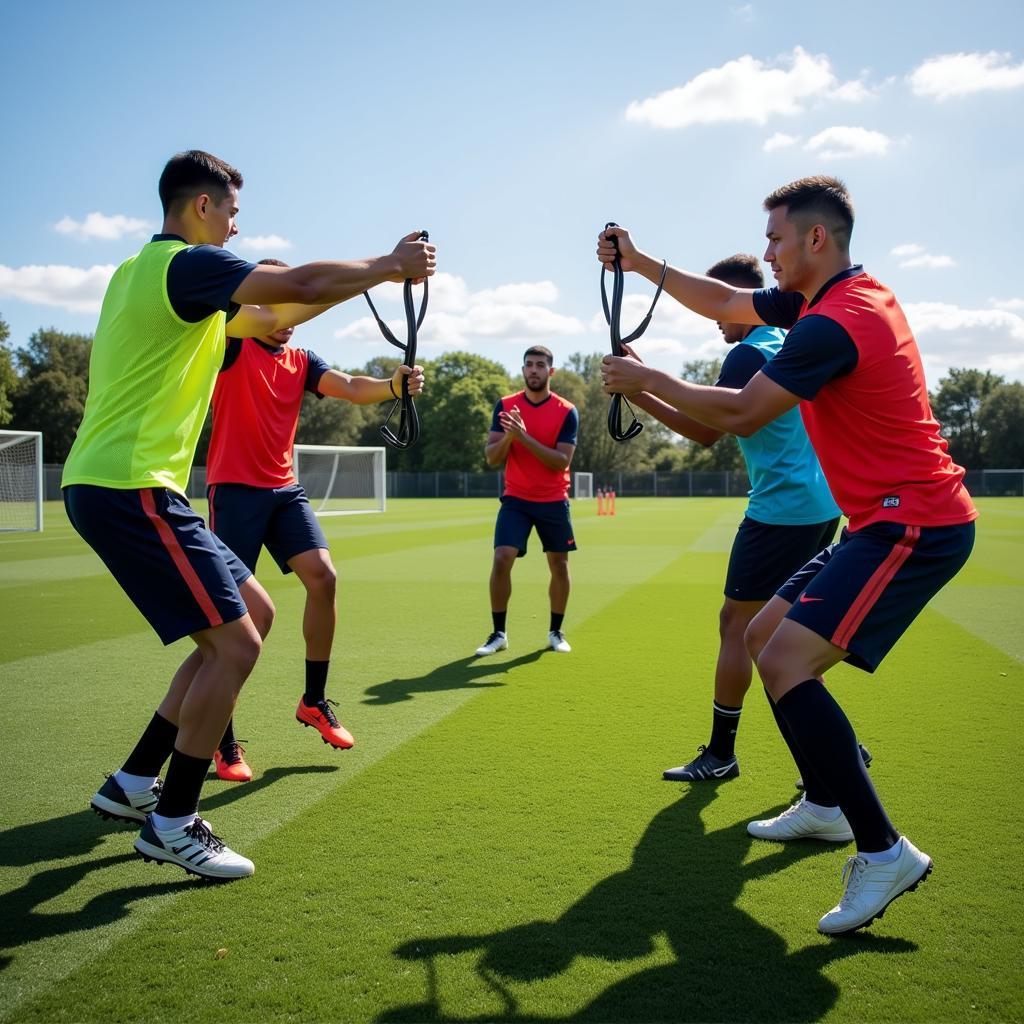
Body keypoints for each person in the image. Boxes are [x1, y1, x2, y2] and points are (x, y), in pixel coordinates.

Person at [597, 175, 976, 935]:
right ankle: (827, 803)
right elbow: (728, 304)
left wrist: (646, 380)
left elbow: (741, 411)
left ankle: (883, 850)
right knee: (763, 637)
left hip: (915, 523)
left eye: (775, 239)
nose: (765, 253)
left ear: (816, 239)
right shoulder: (820, 300)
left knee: (782, 661)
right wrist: (640, 264)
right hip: (872, 521)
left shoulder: (836, 322)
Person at [64, 149, 435, 880]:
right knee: (235, 647)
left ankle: (135, 783)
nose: (236, 226)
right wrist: (389, 266)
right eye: (232, 211)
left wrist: (375, 299)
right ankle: (173, 822)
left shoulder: (149, 278)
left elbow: (287, 305)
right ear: (202, 206)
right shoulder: (188, 267)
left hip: (138, 487)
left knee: (255, 614)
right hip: (128, 487)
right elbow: (293, 283)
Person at [622, 253, 844, 784]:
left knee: (741, 628)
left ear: (743, 300)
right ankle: (841, 752)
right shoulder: (784, 342)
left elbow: (707, 431)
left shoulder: (748, 353)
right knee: (779, 636)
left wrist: (641, 386)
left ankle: (726, 754)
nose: (715, 317)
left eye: (720, 305)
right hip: (820, 507)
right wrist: (642, 387)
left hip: (781, 511)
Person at [206, 257, 425, 782]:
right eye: (275, 301)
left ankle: (314, 700)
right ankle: (222, 737)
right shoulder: (228, 342)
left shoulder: (301, 359)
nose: (288, 316)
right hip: (233, 491)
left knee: (324, 578)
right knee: (233, 617)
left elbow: (350, 385)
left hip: (284, 491)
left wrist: (394, 387)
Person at [476, 346, 578, 656]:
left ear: (551, 371)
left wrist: (524, 437)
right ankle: (498, 633)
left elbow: (561, 461)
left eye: (540, 365)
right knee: (501, 558)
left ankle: (556, 631)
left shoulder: (566, 410)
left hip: (553, 499)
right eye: (529, 365)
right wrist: (510, 436)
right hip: (516, 499)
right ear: (523, 370)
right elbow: (492, 458)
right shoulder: (506, 406)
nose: (534, 370)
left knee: (559, 565)